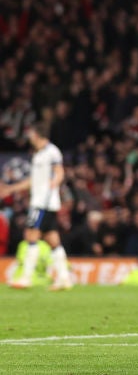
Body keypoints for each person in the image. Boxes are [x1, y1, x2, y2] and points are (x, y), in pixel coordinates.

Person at [0, 121, 73, 290]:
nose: (29, 137)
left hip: (42, 202)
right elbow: (33, 181)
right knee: (52, 239)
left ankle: (26, 277)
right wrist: (11, 189)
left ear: (37, 134)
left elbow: (59, 170)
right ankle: (64, 278)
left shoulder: (51, 151)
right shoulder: (38, 155)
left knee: (30, 235)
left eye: (31, 133)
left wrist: (56, 181)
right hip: (44, 202)